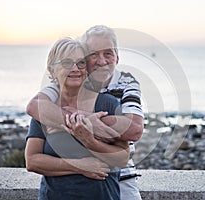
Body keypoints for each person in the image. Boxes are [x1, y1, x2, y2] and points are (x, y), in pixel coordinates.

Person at [26, 25, 144, 200]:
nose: (102, 61)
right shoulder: (55, 95)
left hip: (119, 180)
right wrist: (79, 123)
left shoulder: (123, 86)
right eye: (94, 54)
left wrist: (84, 128)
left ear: (117, 57)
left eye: (108, 53)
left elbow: (133, 131)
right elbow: (34, 107)